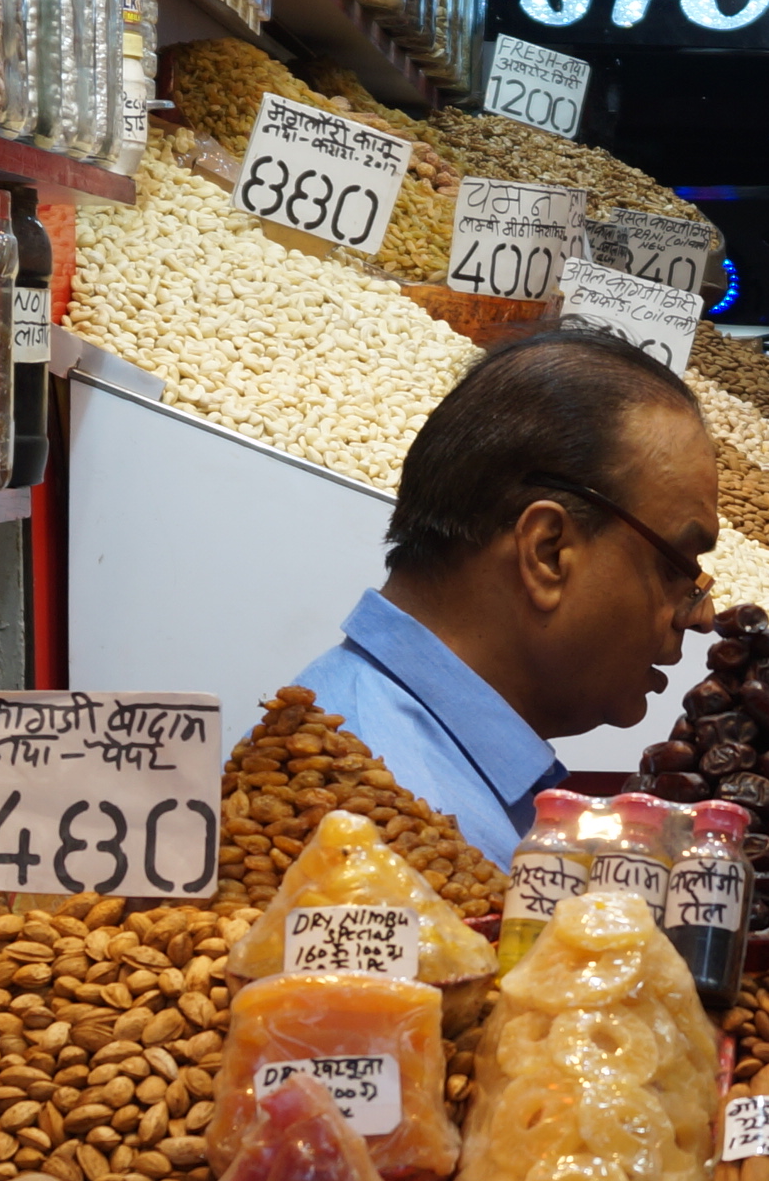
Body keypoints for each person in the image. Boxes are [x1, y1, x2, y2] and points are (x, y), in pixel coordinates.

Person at [286, 326, 720, 864]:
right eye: (678, 565)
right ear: (547, 552)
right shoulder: (371, 825)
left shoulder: (401, 766)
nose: (704, 616)